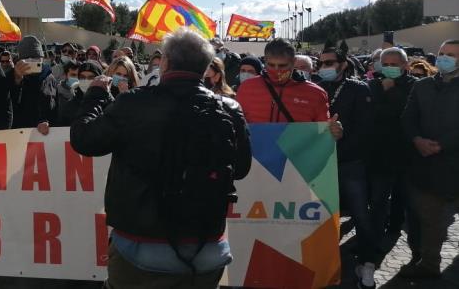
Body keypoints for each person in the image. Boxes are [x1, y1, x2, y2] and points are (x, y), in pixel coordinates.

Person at [69, 29, 252, 289]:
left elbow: (84, 139)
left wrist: (96, 96)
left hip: (140, 250)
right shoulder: (229, 108)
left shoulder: (134, 103)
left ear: (165, 62)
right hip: (207, 249)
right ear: (204, 67)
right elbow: (241, 168)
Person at [397, 39, 459, 280]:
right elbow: (407, 118)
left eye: (451, 55)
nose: (444, 58)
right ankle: (429, 264)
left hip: (453, 162)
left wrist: (443, 145)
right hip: (427, 166)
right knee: (429, 220)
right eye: (442, 53)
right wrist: (417, 140)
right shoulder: (422, 86)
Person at [316, 47, 376, 288]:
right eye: (321, 63)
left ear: (342, 64)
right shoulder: (316, 86)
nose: (324, 67)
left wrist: (342, 139)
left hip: (349, 163)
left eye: (329, 62)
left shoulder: (358, 89)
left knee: (361, 214)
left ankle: (367, 263)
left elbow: (366, 129)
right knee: (319, 216)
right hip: (319, 164)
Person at [367, 47, 418, 262]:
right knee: (377, 200)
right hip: (380, 153)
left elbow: (405, 114)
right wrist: (382, 93)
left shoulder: (416, 86)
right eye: (384, 64)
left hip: (407, 153)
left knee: (402, 198)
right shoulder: (372, 85)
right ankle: (373, 239)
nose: (388, 68)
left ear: (405, 66)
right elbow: (371, 113)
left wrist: (390, 92)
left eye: (393, 64)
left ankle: (395, 230)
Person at [237, 39, 338, 128]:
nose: (276, 70)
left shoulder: (316, 94)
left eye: (282, 65)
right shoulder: (246, 88)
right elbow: (237, 125)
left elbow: (323, 131)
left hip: (296, 150)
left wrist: (334, 131)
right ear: (265, 61)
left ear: (294, 62)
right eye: (271, 65)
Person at [10, 35, 54, 129]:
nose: (31, 61)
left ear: (41, 57)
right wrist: (17, 80)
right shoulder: (13, 77)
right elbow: (10, 106)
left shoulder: (49, 78)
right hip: (20, 133)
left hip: (45, 136)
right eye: (27, 58)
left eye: (35, 57)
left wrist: (48, 122)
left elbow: (54, 107)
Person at [55, 61, 102, 128]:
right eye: (82, 77)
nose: (86, 80)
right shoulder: (69, 106)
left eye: (91, 77)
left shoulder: (107, 104)